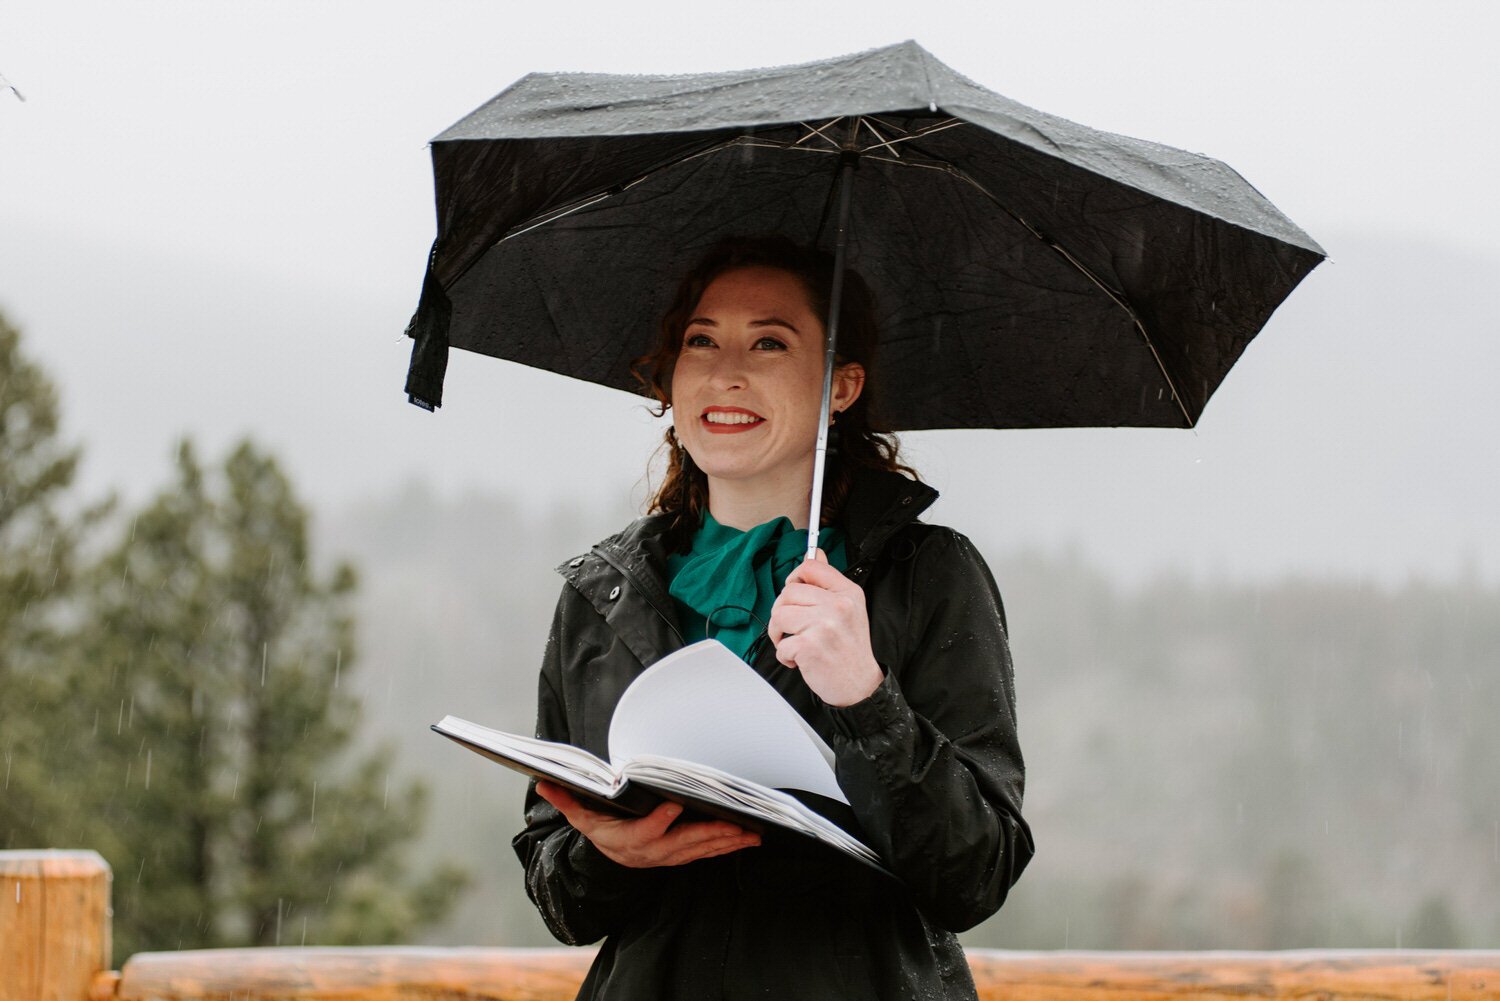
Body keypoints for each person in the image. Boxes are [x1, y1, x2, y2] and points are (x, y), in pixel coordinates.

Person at [511, 236, 1032, 1000]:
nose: (726, 371)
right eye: (700, 340)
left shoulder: (926, 578)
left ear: (841, 386)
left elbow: (977, 872)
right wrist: (611, 853)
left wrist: (868, 697)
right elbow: (557, 892)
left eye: (769, 341)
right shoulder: (602, 593)